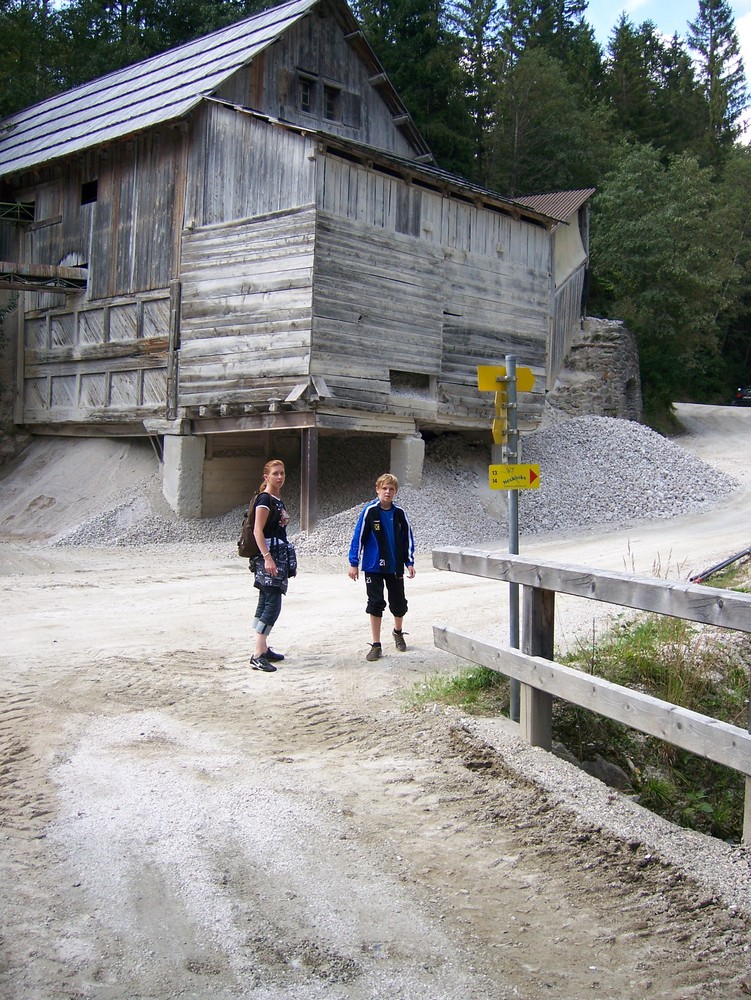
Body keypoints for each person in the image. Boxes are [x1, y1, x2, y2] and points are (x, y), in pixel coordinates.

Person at [348, 472, 415, 661]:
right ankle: (376, 644)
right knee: (375, 603)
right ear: (377, 490)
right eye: (384, 488)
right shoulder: (370, 511)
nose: (387, 492)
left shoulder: (400, 513)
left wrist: (409, 562)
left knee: (399, 604)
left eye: (391, 489)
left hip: (395, 567)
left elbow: (408, 538)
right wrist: (354, 562)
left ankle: (398, 632)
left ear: (396, 492)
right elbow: (358, 537)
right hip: (373, 566)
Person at [249, 459, 292, 673]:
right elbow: (258, 530)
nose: (280, 477)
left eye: (282, 473)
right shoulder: (265, 499)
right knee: (272, 603)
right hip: (269, 556)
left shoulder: (276, 499)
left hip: (276, 555)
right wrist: (267, 557)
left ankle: (262, 648)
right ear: (266, 477)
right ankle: (258, 654)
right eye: (275, 473)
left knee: (266, 600)